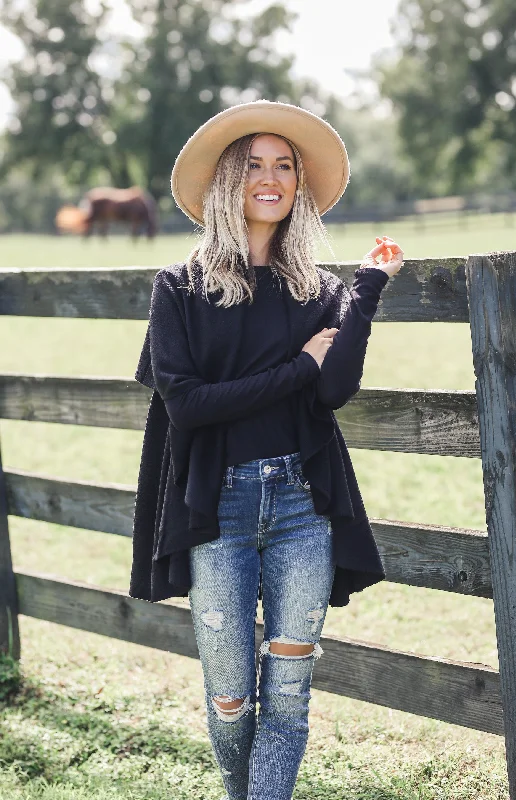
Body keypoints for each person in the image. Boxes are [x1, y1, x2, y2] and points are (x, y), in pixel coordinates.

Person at [129, 100, 403, 800]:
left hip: (301, 506)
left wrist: (364, 295)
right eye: (253, 164)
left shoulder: (317, 289)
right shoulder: (181, 288)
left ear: (298, 185)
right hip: (215, 510)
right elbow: (186, 406)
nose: (271, 177)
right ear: (227, 180)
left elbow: (333, 389)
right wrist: (294, 371)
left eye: (284, 165)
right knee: (229, 698)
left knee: (287, 694)